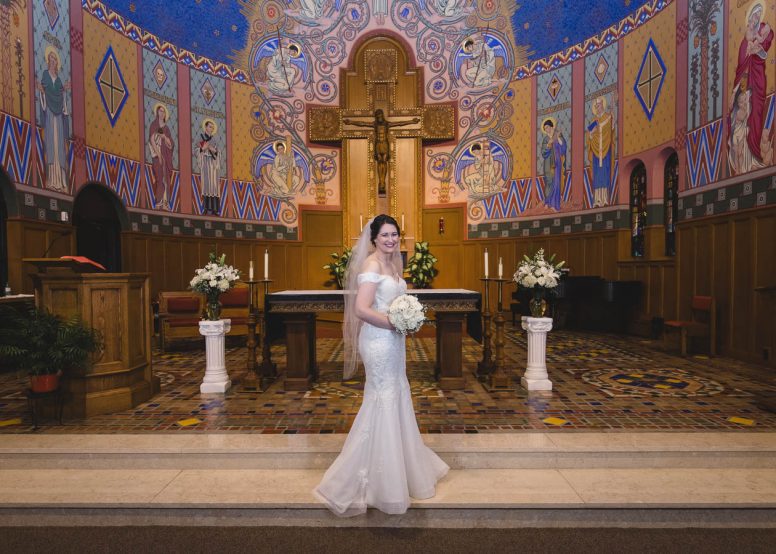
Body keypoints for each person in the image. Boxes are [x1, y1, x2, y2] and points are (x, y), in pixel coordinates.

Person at [314, 215, 448, 517]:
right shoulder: (372, 265)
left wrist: (407, 321)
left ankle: (397, 466)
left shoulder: (393, 265)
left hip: (393, 340)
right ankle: (377, 480)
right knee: (383, 397)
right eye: (385, 235)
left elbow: (395, 302)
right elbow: (361, 309)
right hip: (378, 340)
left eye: (395, 234)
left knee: (397, 392)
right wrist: (395, 322)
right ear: (373, 238)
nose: (390, 239)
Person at [729, 2, 773, 173]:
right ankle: (744, 162)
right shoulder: (743, 43)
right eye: (753, 15)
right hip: (745, 86)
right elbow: (741, 70)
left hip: (758, 80)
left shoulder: (763, 32)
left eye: (758, 15)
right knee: (743, 121)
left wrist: (758, 49)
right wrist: (734, 93)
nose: (755, 18)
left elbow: (764, 52)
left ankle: (755, 155)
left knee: (756, 113)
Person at [343, 110, 419, 195]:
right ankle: (381, 181)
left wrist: (412, 121)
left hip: (385, 145)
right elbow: (362, 123)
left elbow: (400, 123)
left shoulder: (387, 124)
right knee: (379, 162)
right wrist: (350, 122)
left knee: (385, 161)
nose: (379, 118)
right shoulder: (375, 124)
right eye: (377, 116)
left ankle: (383, 181)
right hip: (378, 145)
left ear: (382, 116)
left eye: (380, 116)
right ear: (376, 117)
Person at [36, 47, 70, 193]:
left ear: (57, 63)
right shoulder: (44, 75)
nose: (52, 62)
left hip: (58, 117)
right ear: (47, 61)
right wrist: (43, 92)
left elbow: (61, 98)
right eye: (50, 59)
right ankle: (51, 179)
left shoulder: (59, 80)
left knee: (59, 148)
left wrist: (64, 91)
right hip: (50, 113)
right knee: (51, 145)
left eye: (54, 59)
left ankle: (62, 181)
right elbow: (44, 91)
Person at [148, 105, 174, 210]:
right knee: (160, 178)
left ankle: (165, 203)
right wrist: (158, 155)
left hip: (166, 157)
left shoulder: (166, 128)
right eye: (160, 111)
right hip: (157, 157)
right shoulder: (154, 125)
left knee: (166, 180)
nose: (162, 113)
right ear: (157, 113)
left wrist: (165, 137)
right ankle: (159, 202)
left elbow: (171, 144)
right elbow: (152, 140)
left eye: (163, 111)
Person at [541, 119, 566, 211]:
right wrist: (548, 145)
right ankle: (547, 202)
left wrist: (558, 138)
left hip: (557, 163)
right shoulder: (546, 139)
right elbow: (543, 153)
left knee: (556, 182)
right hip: (548, 164)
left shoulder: (557, 135)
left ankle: (554, 204)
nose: (546, 129)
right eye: (544, 128)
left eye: (547, 127)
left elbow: (563, 147)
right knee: (549, 182)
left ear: (551, 127)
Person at [197, 119, 221, 215]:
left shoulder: (214, 139)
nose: (211, 128)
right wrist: (203, 148)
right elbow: (196, 150)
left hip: (213, 165)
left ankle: (215, 210)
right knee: (207, 186)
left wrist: (213, 149)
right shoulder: (200, 138)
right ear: (206, 127)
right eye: (210, 126)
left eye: (213, 127)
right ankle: (206, 208)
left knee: (214, 187)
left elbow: (218, 152)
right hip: (206, 163)